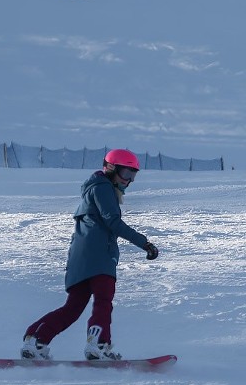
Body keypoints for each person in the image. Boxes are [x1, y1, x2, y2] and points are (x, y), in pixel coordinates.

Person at [21, 149, 159, 361]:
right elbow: (113, 221)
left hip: (80, 260)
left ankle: (37, 338)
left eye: (133, 176)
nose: (129, 181)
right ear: (111, 169)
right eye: (126, 174)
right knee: (103, 299)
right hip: (100, 257)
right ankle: (99, 345)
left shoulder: (92, 191)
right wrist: (144, 243)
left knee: (73, 308)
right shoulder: (103, 188)